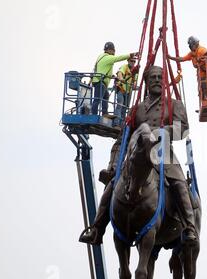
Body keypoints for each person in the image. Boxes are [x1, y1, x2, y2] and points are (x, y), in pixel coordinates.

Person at [79, 66, 198, 245]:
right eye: (153, 78)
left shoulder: (174, 104)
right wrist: (113, 165)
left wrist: (161, 131)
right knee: (113, 185)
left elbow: (183, 130)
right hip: (138, 155)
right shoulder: (137, 109)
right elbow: (123, 139)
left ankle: (189, 227)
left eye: (160, 77)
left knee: (179, 183)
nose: (157, 80)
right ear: (146, 82)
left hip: (163, 154)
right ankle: (97, 228)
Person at [91, 42, 137, 115]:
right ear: (110, 50)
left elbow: (102, 68)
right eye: (113, 50)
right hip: (100, 81)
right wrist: (131, 54)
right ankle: (94, 115)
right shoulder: (109, 57)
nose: (114, 52)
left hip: (99, 80)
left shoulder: (101, 56)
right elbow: (118, 58)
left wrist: (111, 75)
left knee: (105, 96)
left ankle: (105, 113)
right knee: (97, 99)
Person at [114, 57, 140, 126]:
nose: (133, 63)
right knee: (120, 104)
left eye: (134, 62)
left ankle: (122, 124)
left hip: (128, 91)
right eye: (131, 61)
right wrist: (121, 78)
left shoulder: (135, 71)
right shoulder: (124, 67)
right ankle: (116, 123)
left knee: (125, 108)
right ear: (128, 61)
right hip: (121, 88)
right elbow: (119, 73)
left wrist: (134, 85)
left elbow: (135, 81)